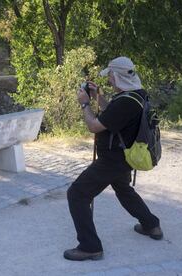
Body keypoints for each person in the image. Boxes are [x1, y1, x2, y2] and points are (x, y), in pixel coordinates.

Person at [64, 56, 163, 261]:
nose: (109, 79)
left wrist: (85, 105)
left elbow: (95, 125)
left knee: (77, 194)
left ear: (118, 76)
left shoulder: (126, 102)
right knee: (124, 190)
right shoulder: (137, 95)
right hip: (124, 156)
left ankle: (90, 246)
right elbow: (114, 114)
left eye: (110, 75)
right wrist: (98, 96)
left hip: (113, 158)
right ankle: (151, 225)